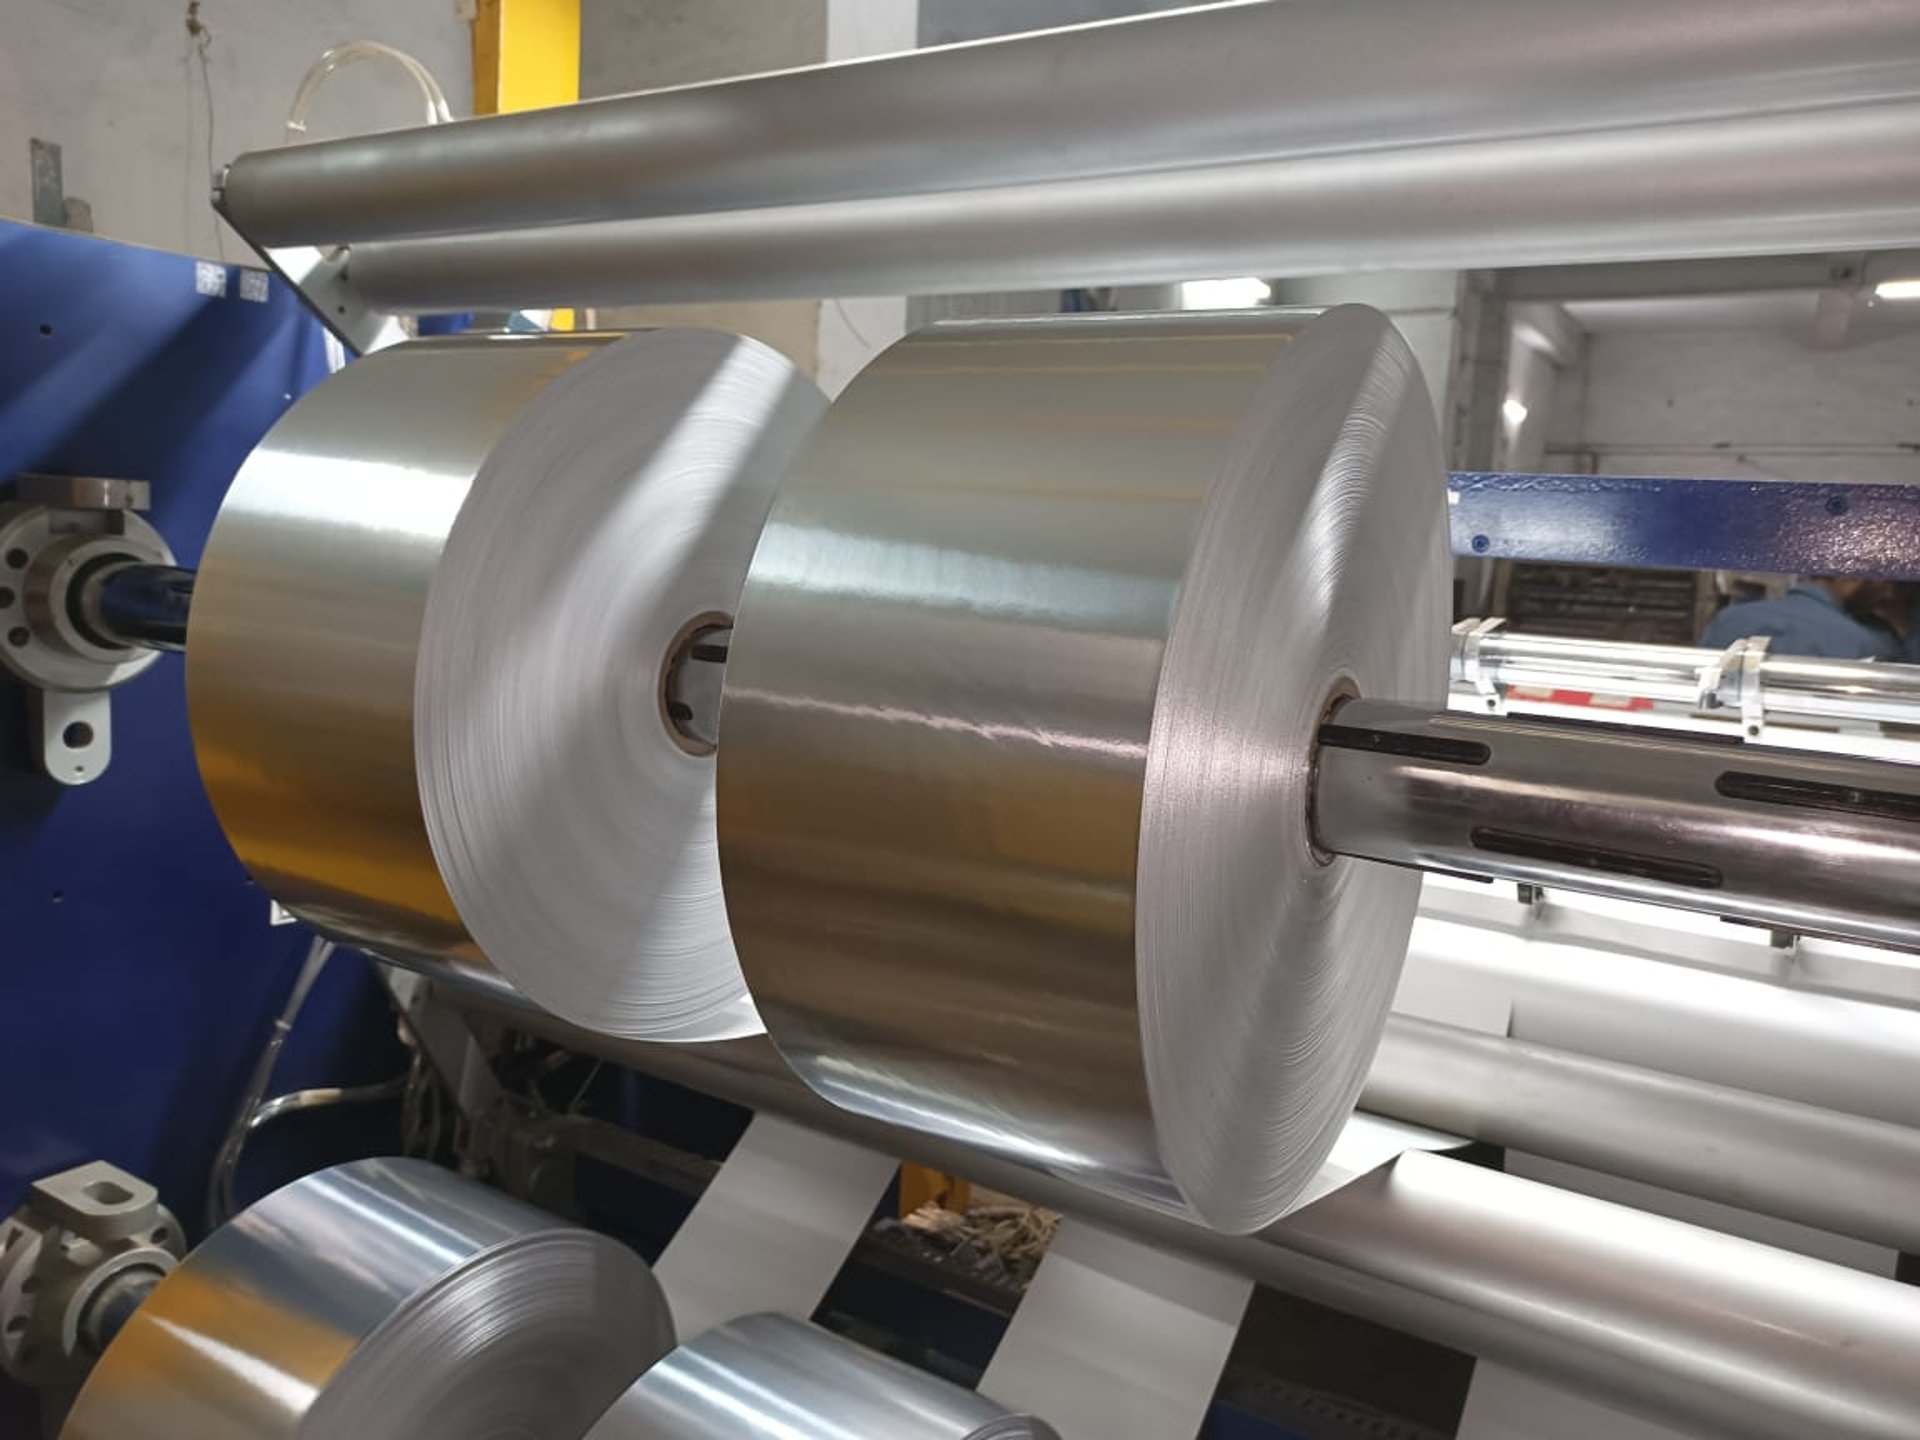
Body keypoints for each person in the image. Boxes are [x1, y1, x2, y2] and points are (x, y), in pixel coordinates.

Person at [1699, 577, 1903, 660]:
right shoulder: (1863, 645)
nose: (1888, 594)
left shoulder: (1730, 619)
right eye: (1883, 583)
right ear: (1853, 578)